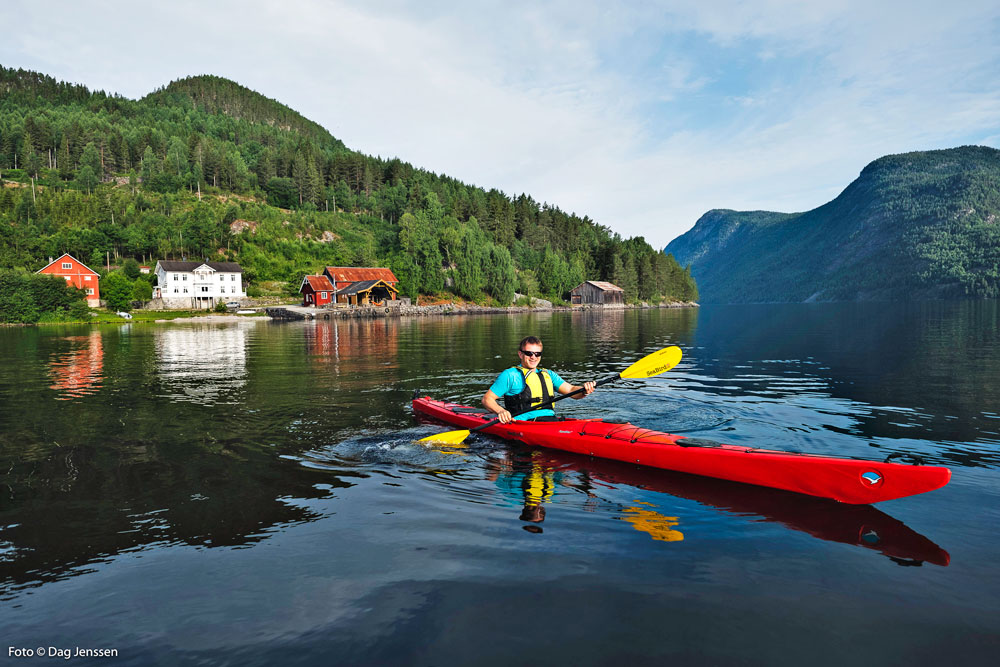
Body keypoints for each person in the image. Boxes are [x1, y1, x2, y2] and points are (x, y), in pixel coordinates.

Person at [482, 336, 596, 424]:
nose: (533, 357)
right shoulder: (510, 375)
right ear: (520, 354)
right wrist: (501, 411)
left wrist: (584, 390)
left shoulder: (548, 374)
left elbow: (572, 390)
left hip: (549, 421)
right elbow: (487, 399)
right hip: (523, 424)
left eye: (537, 354)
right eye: (529, 353)